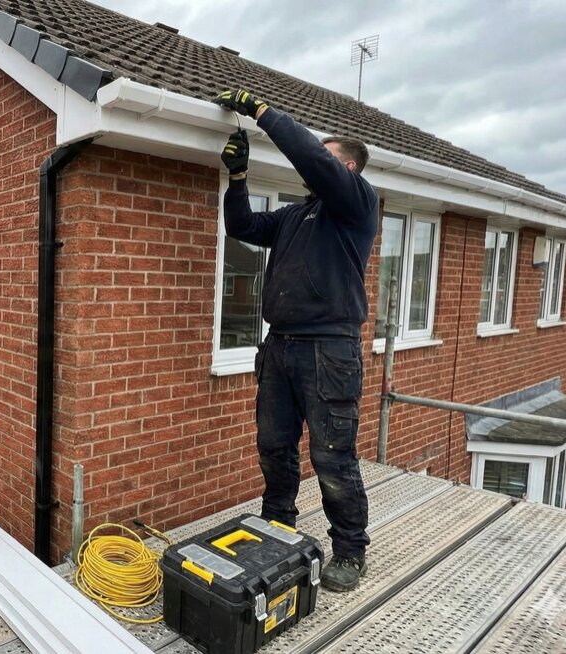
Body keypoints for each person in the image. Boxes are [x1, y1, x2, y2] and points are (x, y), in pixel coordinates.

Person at [214, 89, 379, 592]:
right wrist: (237, 178)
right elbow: (241, 224)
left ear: (348, 168)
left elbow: (309, 155)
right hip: (280, 347)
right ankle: (278, 525)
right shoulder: (293, 217)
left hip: (329, 351)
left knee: (331, 456)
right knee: (274, 446)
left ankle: (349, 551)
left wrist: (262, 112)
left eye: (328, 157)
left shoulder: (355, 204)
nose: (315, 163)